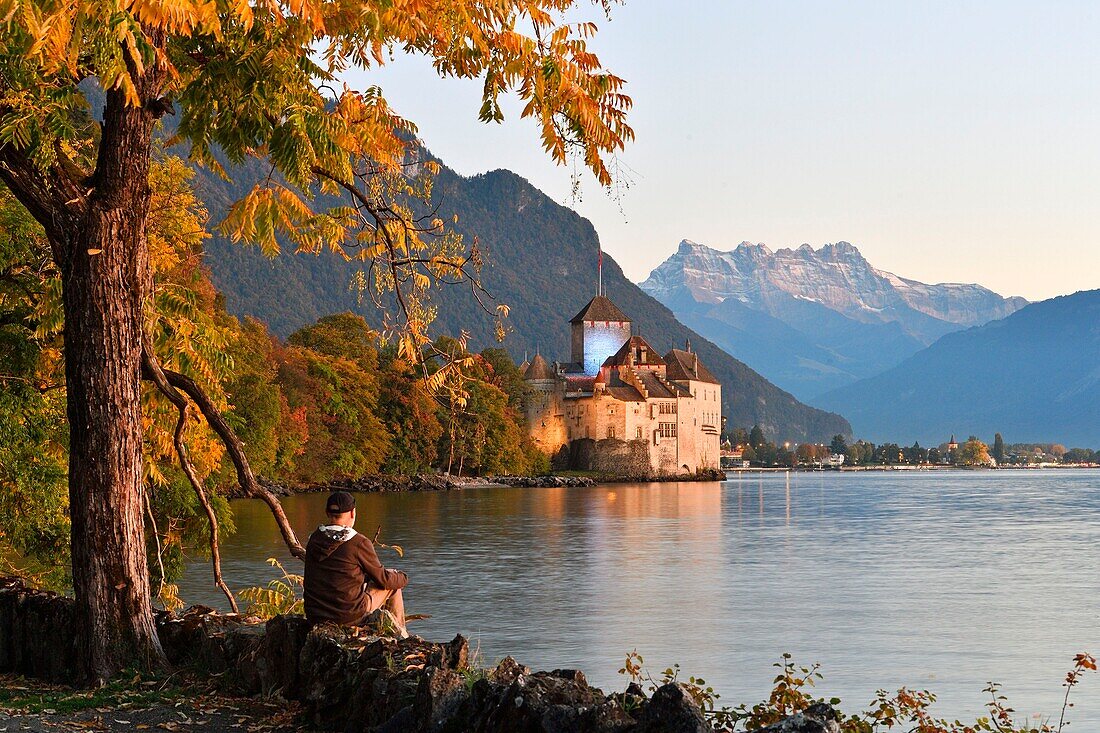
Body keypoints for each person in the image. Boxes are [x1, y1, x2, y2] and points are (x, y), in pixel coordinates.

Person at [303, 490, 409, 637]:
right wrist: (403, 578)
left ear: (327, 513)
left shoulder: (314, 539)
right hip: (348, 616)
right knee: (393, 585)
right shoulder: (358, 542)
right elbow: (384, 580)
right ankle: (401, 635)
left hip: (315, 616)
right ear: (352, 513)